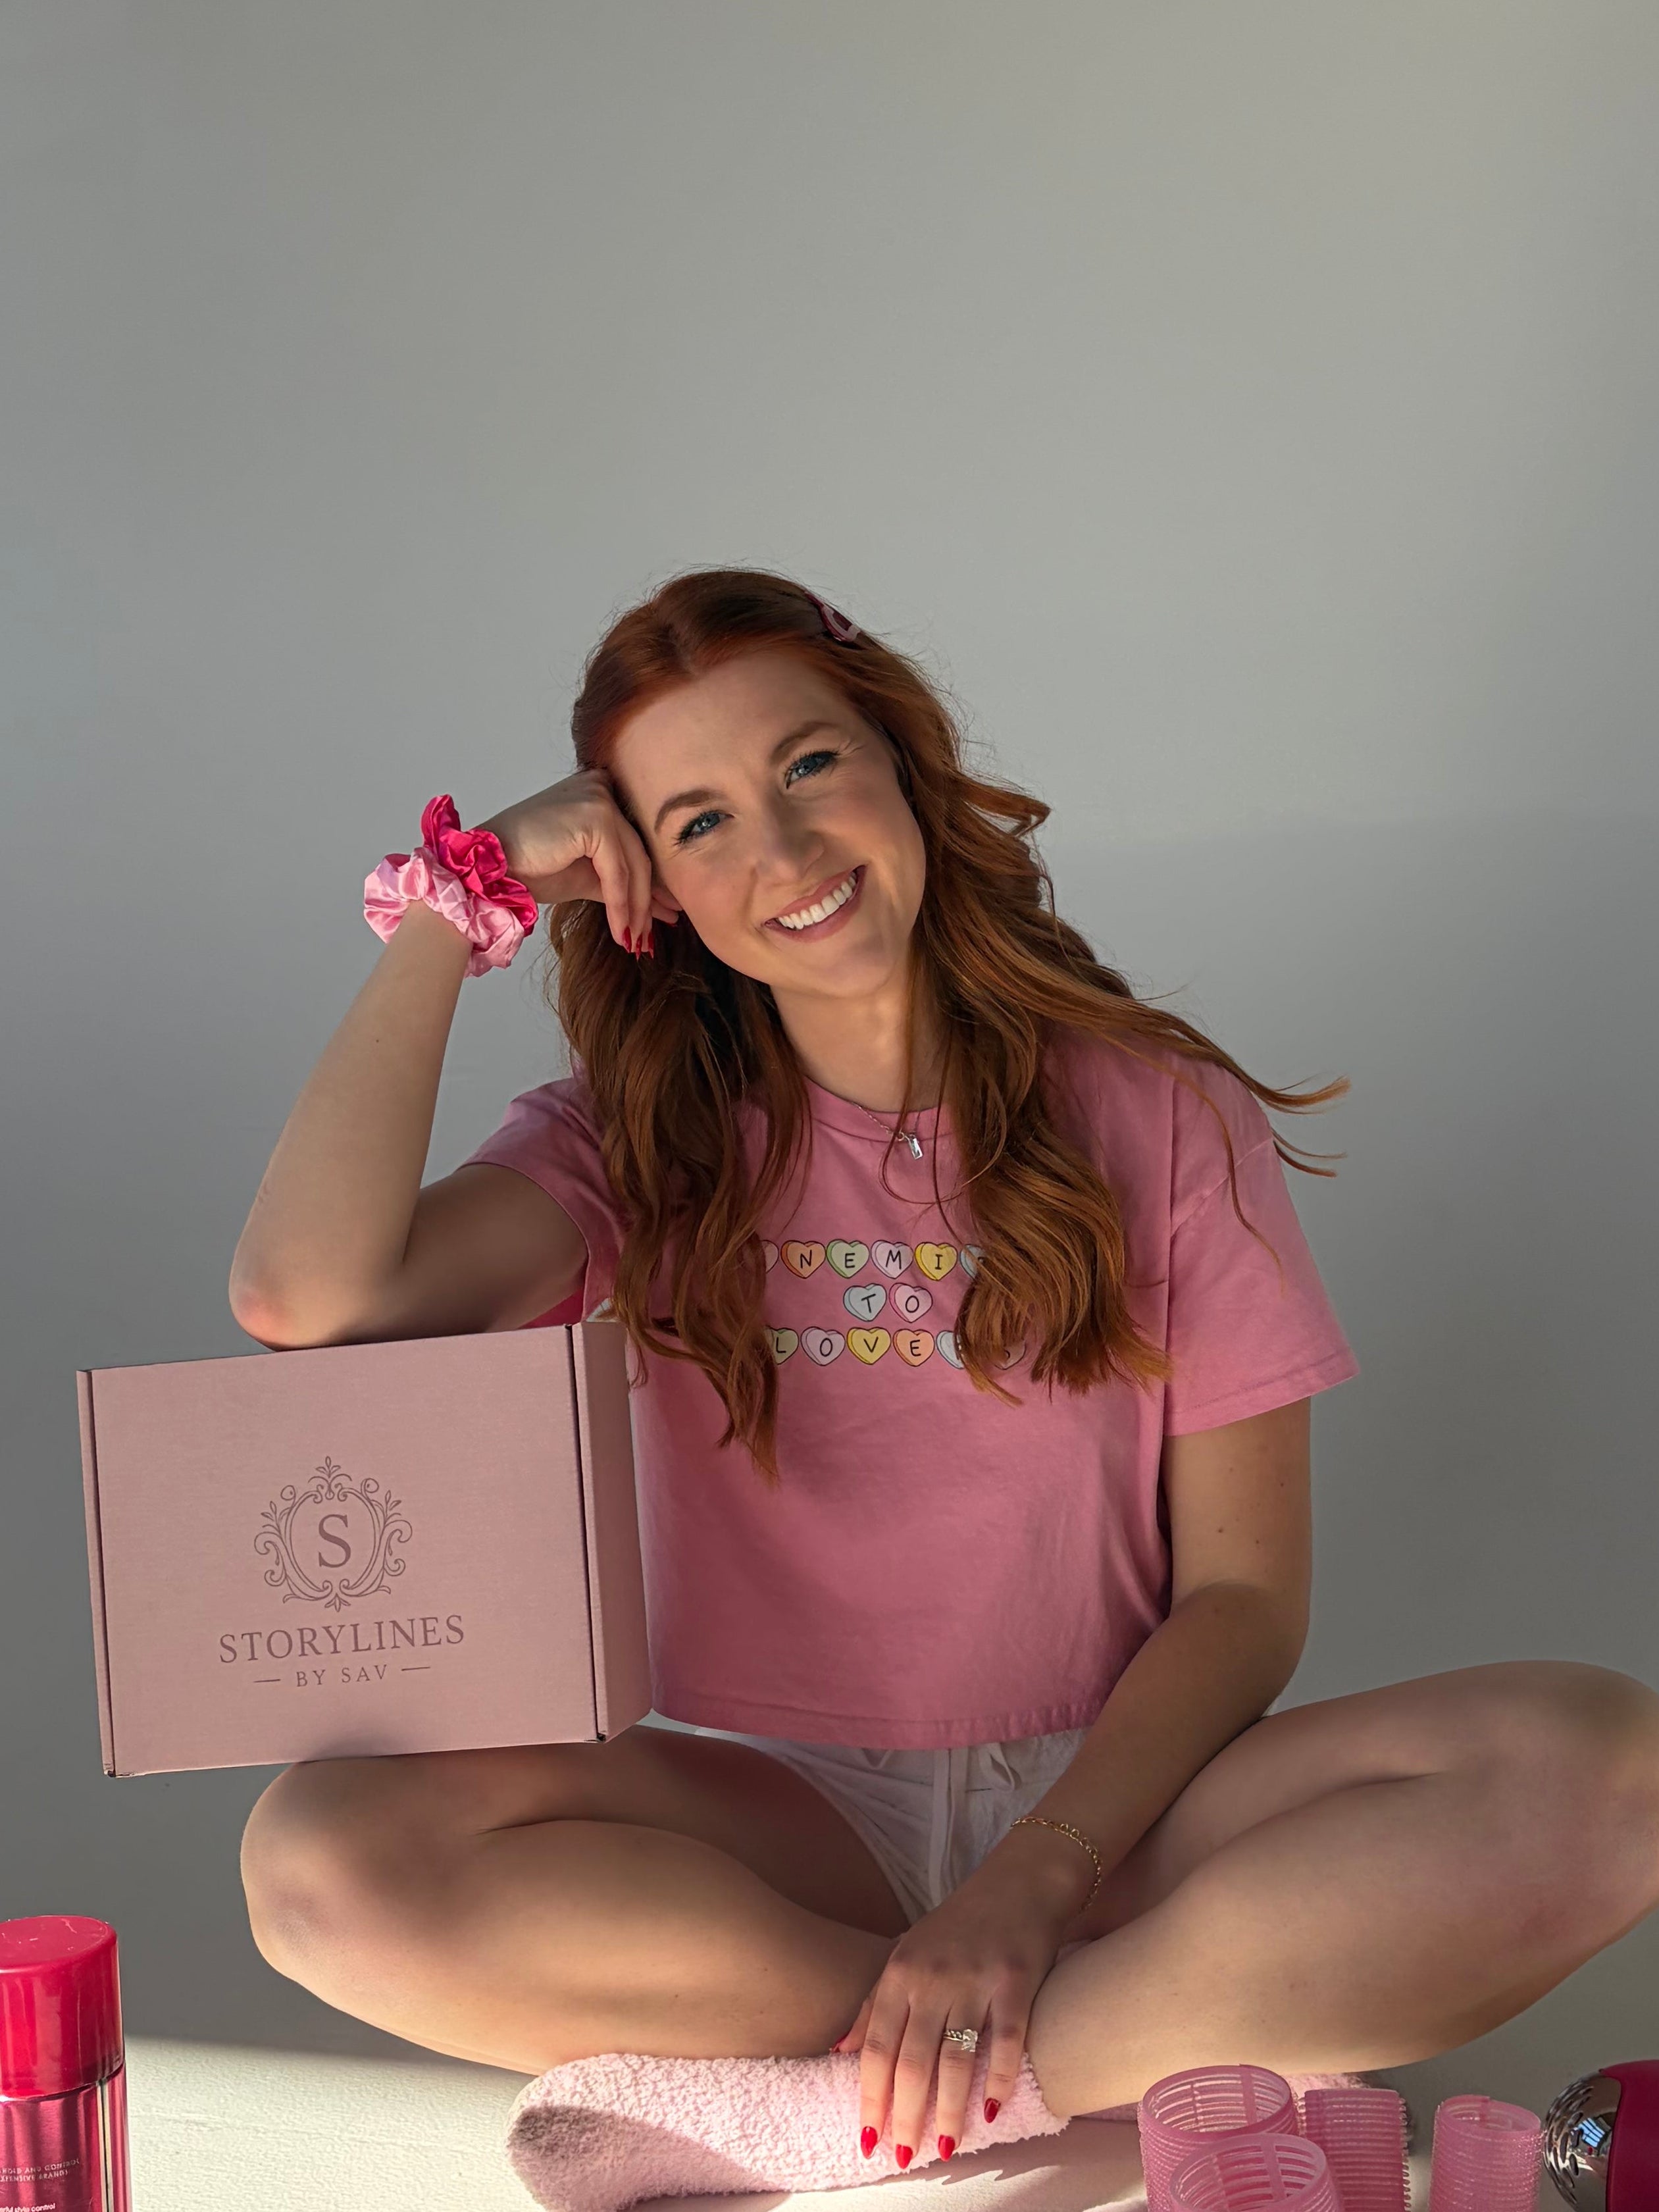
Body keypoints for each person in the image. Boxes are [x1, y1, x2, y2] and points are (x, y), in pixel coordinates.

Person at [230, 566, 1659, 2169]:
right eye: (698, 822)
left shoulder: (1159, 1113)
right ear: (651, 891)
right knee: (321, 1855)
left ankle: (840, 2108)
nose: (782, 848)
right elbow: (301, 1293)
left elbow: (1245, 1600)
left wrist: (1032, 1880)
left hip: (1118, 1811)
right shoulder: (623, 1151)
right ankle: (1157, 2025)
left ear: (900, 762)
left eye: (808, 763)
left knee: (1607, 1767)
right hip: (779, 1840)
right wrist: (458, 902)